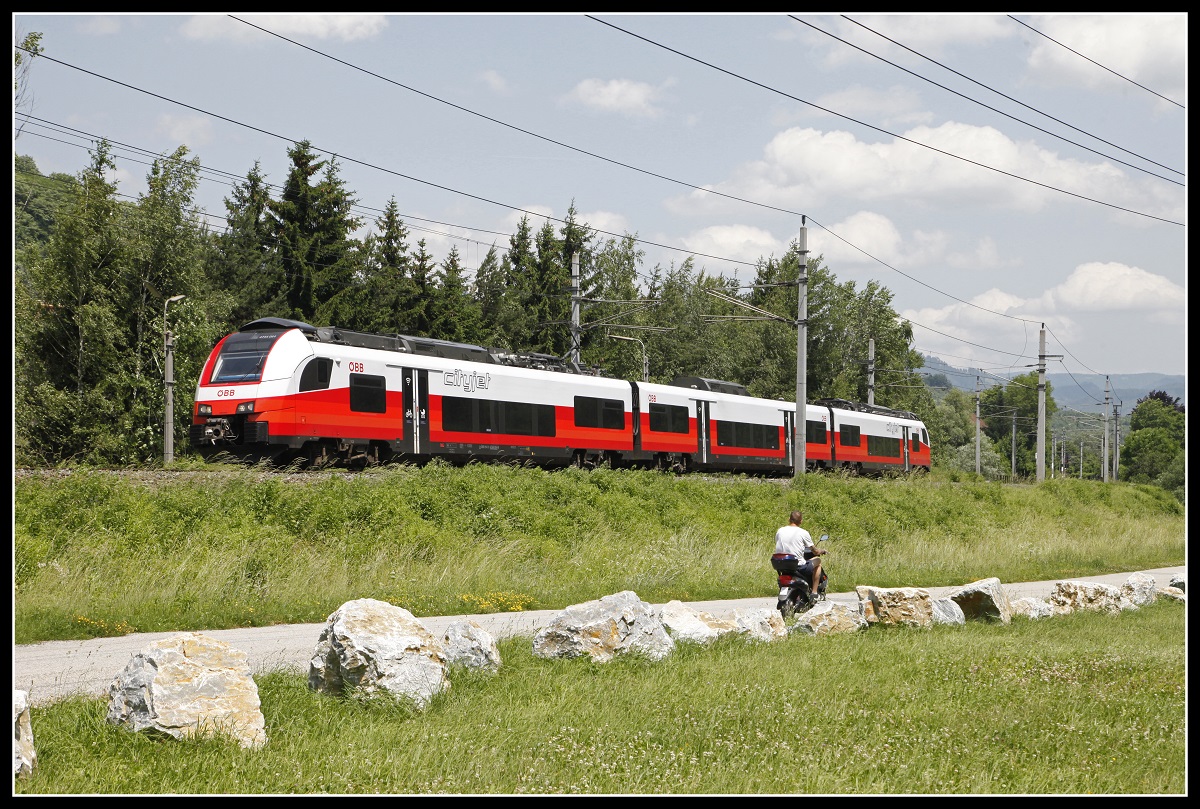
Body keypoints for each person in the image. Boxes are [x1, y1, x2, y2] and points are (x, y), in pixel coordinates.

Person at [774, 510, 826, 598]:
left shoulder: (780, 531)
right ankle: (814, 592)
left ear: (789, 519)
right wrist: (822, 551)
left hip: (780, 564)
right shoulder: (803, 533)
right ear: (801, 521)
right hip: (798, 565)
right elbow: (815, 551)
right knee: (818, 561)